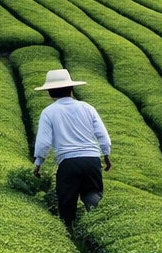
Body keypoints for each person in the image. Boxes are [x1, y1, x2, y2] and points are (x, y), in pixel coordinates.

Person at [31, 68, 112, 230]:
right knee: (92, 193)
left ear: (50, 92)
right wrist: (106, 156)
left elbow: (44, 142)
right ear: (71, 88)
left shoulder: (49, 112)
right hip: (91, 160)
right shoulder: (87, 108)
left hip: (68, 163)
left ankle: (69, 232)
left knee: (67, 202)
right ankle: (98, 226)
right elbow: (103, 135)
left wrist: (38, 162)